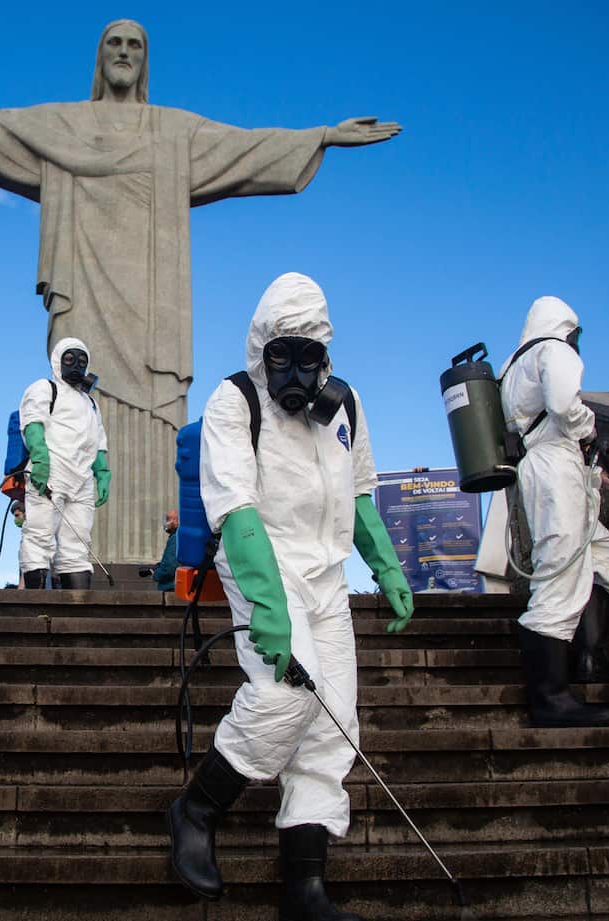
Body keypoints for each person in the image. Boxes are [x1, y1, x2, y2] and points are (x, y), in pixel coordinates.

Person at [0, 19, 400, 565]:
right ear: (100, 59)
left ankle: (159, 554)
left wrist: (322, 136)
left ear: (144, 60)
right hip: (85, 297)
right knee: (80, 404)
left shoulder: (175, 132)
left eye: (135, 45)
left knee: (156, 422)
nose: (124, 53)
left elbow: (245, 148)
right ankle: (76, 559)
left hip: (155, 312)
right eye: (114, 45)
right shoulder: (62, 125)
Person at [167, 273, 413, 921]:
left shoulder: (346, 407)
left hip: (327, 578)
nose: (297, 370)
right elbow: (237, 510)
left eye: (310, 355)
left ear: (325, 354)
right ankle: (196, 808)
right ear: (261, 348)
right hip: (264, 568)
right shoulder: (234, 401)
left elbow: (359, 492)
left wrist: (385, 566)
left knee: (334, 723)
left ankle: (305, 890)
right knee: (283, 697)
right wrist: (270, 609)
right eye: (283, 354)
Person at [497, 295, 609, 729]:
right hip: (555, 469)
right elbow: (562, 407)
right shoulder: (552, 350)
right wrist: (590, 426)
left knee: (606, 558)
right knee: (560, 574)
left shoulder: (510, 368)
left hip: (551, 468)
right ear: (566, 327)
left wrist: (596, 477)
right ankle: (550, 698)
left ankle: (593, 658)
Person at [18, 336, 110, 589]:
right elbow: (32, 423)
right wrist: (40, 459)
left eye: (82, 361)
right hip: (51, 473)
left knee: (78, 540)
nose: (76, 366)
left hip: (81, 480)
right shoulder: (45, 388)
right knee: (40, 534)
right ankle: (34, 600)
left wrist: (102, 472)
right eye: (70, 359)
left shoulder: (90, 402)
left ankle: (76, 602)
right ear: (58, 360)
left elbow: (97, 440)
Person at [151, 509, 179, 591]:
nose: (165, 522)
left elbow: (170, 567)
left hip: (170, 587)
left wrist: (156, 575)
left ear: (176, 520)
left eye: (168, 519)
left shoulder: (175, 538)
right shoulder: (179, 537)